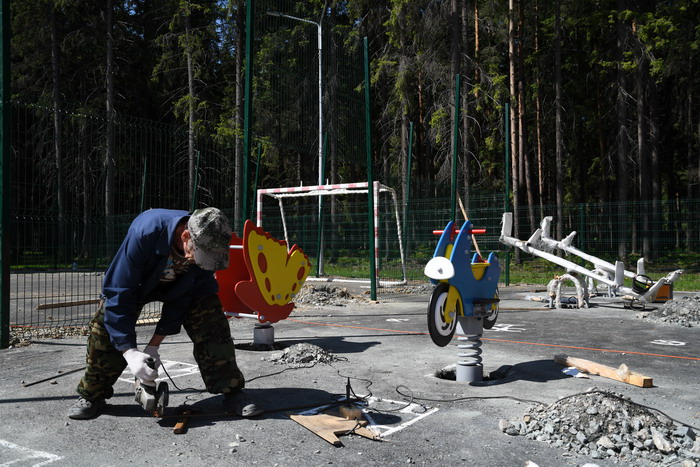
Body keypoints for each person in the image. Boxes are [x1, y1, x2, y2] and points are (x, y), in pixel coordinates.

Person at [68, 207, 262, 420]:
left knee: (212, 322)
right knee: (106, 327)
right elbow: (119, 293)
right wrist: (130, 352)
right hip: (137, 285)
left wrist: (154, 345)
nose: (200, 262)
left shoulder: (208, 243)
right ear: (186, 236)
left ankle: (232, 390)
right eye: (199, 256)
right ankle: (92, 394)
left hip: (181, 288)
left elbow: (185, 297)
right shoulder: (146, 232)